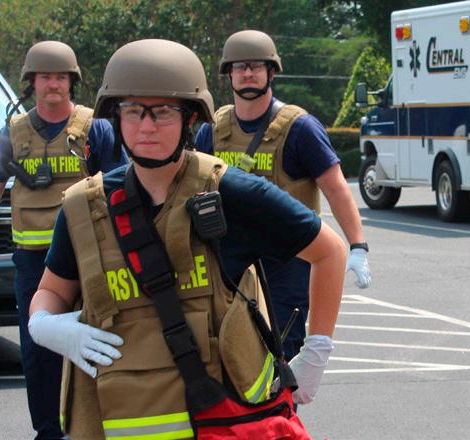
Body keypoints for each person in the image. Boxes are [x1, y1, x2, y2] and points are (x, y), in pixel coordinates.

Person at [26, 39, 346, 438]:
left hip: (222, 426)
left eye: (162, 112)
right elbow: (51, 291)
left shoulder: (230, 193)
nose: (146, 126)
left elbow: (330, 252)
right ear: (116, 116)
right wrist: (45, 324)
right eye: (133, 111)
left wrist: (316, 352)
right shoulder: (84, 209)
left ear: (190, 117)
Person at [0, 40, 126, 440]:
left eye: (61, 77)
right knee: (38, 350)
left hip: (89, 257)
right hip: (33, 263)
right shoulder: (14, 133)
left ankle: (99, 427)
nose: (53, 84)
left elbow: (120, 187)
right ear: (31, 82)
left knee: (100, 341)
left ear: (72, 82)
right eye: (45, 77)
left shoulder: (95, 128)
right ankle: (49, 431)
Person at [196, 29, 370, 360]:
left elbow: (335, 188)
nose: (248, 73)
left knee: (281, 351)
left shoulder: (299, 128)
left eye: (256, 66)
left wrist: (358, 245)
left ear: (271, 71)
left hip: (287, 260)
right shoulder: (213, 130)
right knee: (226, 349)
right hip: (231, 258)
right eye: (239, 66)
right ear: (228, 73)